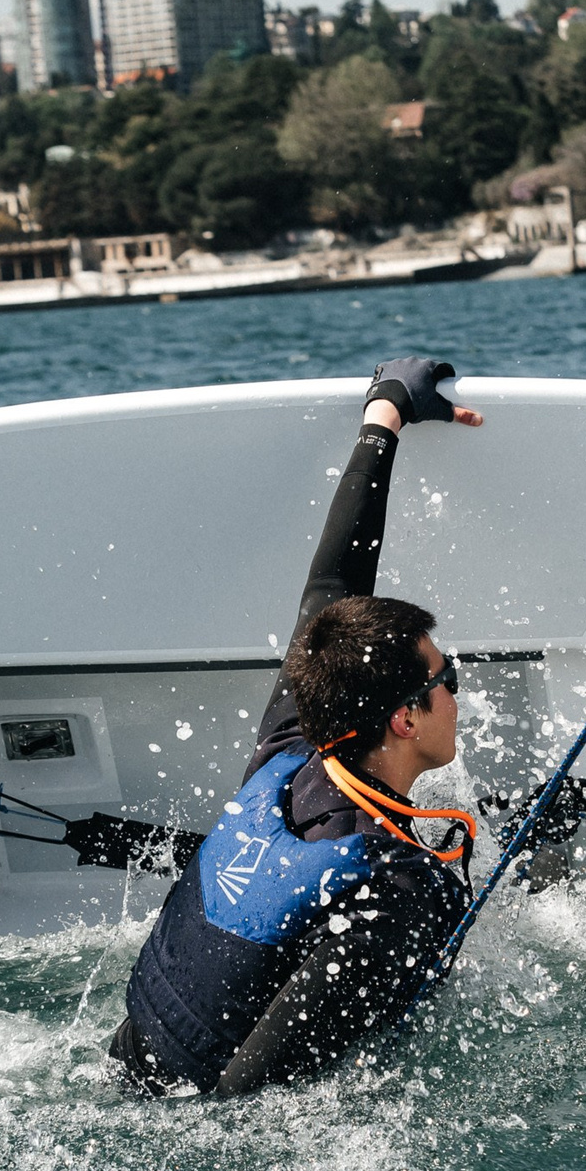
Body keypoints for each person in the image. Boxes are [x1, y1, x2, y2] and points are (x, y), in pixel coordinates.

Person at [111, 357, 486, 1097]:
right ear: (405, 717)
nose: (458, 696)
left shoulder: (292, 742)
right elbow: (250, 1107)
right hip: (188, 1138)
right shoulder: (394, 890)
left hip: (122, 1066)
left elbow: (332, 586)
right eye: (449, 681)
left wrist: (386, 414)